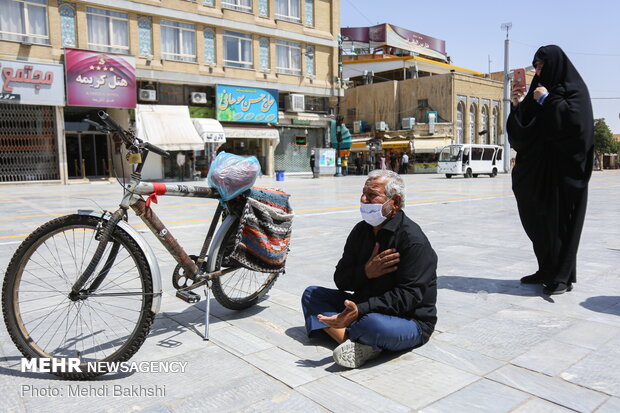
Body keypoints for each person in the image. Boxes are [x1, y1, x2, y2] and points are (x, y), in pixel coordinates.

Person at [301, 170, 438, 368]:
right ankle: (357, 342)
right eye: (363, 193)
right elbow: (341, 279)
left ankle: (352, 333)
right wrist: (366, 271)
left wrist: (360, 311)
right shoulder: (360, 231)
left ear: (395, 202)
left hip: (409, 320)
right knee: (311, 295)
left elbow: (408, 297)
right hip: (363, 306)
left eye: (372, 195)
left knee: (372, 324)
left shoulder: (412, 241)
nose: (364, 200)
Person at [507, 45, 594, 295]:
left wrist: (547, 100)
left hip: (563, 174)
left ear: (556, 64)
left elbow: (576, 126)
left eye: (543, 65)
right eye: (536, 67)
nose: (539, 70)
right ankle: (545, 268)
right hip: (538, 173)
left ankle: (562, 277)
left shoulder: (574, 90)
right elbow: (523, 131)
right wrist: (517, 105)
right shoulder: (537, 91)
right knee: (538, 220)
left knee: (560, 224)